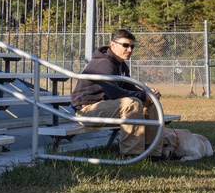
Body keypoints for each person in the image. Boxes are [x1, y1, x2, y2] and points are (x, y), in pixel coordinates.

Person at [71, 29, 165, 158]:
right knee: (131, 103)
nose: (130, 50)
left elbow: (129, 87)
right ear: (113, 45)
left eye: (132, 46)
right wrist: (143, 95)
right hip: (87, 110)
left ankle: (152, 151)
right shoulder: (103, 64)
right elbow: (115, 93)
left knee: (151, 102)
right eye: (125, 45)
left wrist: (148, 94)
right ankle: (130, 154)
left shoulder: (121, 64)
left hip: (107, 106)